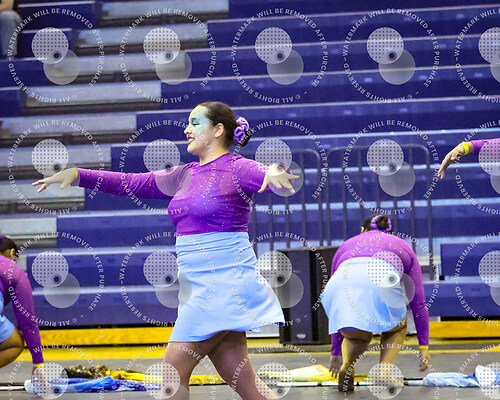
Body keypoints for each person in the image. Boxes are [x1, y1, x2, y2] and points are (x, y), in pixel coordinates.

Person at [33, 101, 298, 399]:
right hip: (198, 285)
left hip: (225, 282)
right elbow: (130, 182)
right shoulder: (184, 174)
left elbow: (272, 173)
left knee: (173, 369)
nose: (186, 129)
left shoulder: (237, 167)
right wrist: (78, 174)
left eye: (195, 122)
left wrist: (276, 171)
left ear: (218, 130)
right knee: (243, 380)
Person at [320, 215, 430, 392]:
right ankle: (383, 372)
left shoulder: (346, 245)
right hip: (380, 278)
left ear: (362, 230)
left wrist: (336, 352)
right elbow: (419, 303)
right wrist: (424, 347)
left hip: (338, 286)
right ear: (389, 233)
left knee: (356, 334)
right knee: (398, 326)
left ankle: (346, 366)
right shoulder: (402, 245)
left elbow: (337, 314)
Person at [0, 234, 45, 372]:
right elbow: (28, 322)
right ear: (12, 253)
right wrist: (39, 363)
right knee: (14, 342)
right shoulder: (13, 270)